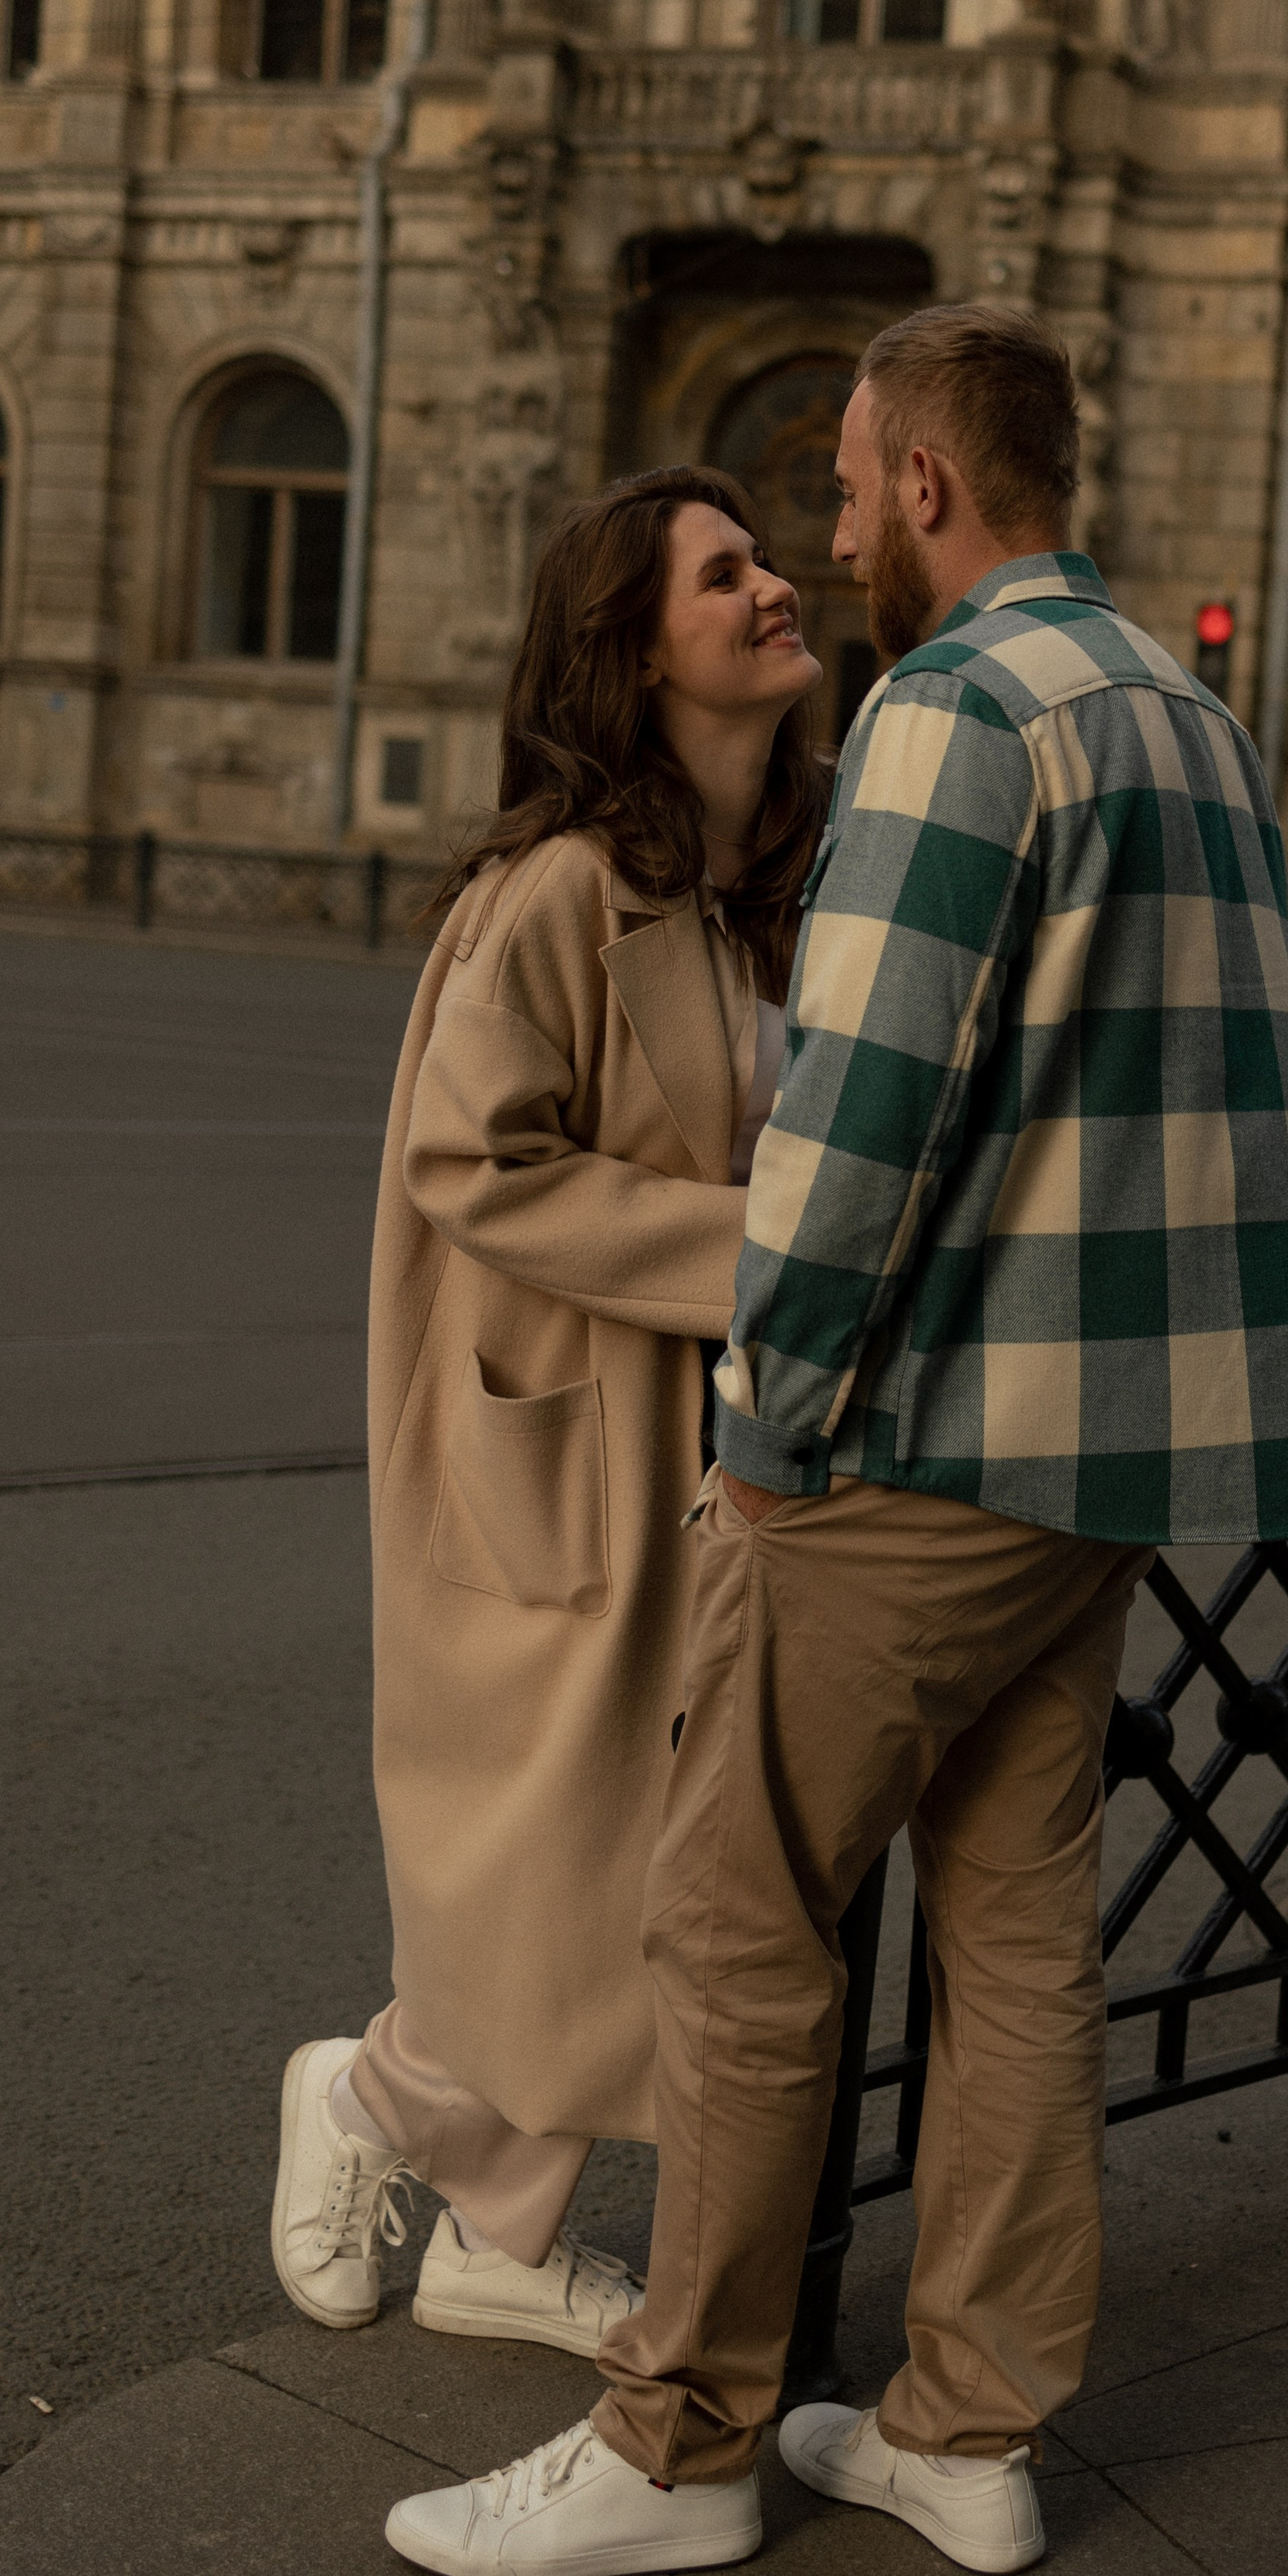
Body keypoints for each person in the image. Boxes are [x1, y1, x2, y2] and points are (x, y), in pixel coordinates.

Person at [383, 305, 1288, 2576]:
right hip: (1125, 1449)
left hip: (932, 1440)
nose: (831, 539)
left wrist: (778, 1426)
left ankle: (686, 2435)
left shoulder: (954, 709)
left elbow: (863, 1116)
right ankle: (966, 2426)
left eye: (840, 489)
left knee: (733, 1927)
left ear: (927, 481)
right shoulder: (1184, 705)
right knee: (1015, 1931)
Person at [270, 468, 825, 2366]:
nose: (777, 587)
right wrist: (762, 1250)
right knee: (558, 1866)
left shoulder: (756, 885)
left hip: (690, 1441)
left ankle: (498, 2238)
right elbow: (465, 1158)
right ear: (631, 646)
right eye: (724, 575)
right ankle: (371, 2096)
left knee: (637, 1875)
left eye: (763, 558)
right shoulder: (564, 888)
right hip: (559, 1429)